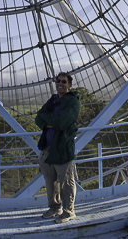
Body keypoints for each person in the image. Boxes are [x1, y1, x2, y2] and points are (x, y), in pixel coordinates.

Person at [35, 72, 80, 224]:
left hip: (62, 148)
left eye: (64, 81)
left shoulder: (73, 102)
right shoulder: (53, 100)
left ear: (69, 85)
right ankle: (54, 207)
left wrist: (48, 120)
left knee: (66, 181)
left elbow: (63, 121)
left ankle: (69, 211)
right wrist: (51, 121)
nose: (60, 83)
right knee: (50, 180)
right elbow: (39, 116)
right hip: (47, 147)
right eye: (58, 81)